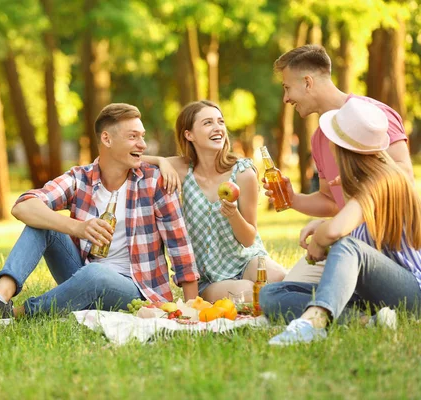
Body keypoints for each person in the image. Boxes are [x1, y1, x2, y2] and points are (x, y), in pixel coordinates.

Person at [0, 103, 200, 326]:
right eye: (133, 136)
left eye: (142, 137)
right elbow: (23, 206)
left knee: (96, 275)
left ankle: (16, 314)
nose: (142, 144)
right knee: (42, 222)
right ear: (107, 139)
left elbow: (181, 248)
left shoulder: (155, 181)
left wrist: (191, 309)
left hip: (138, 291)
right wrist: (77, 228)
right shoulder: (80, 178)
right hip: (83, 272)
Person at [261, 98, 421, 345]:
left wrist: (321, 239)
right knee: (271, 294)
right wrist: (324, 224)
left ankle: (314, 323)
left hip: (410, 293)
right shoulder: (357, 181)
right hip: (369, 293)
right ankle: (365, 322)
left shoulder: (383, 180)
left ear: (340, 147)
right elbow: (363, 224)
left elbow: (336, 232)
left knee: (346, 246)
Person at [266, 44, 414, 284]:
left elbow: (404, 177)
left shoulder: (374, 116)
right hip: (346, 236)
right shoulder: (319, 138)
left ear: (307, 82)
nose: (285, 98)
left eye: (287, 88)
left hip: (387, 242)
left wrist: (337, 222)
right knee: (286, 288)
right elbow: (331, 200)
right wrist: (293, 199)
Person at [143, 100, 286, 303]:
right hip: (209, 278)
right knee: (247, 294)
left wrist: (233, 213)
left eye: (220, 121)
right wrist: (161, 161)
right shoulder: (183, 170)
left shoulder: (243, 172)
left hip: (247, 260)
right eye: (208, 123)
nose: (218, 127)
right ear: (188, 134)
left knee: (281, 280)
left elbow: (248, 239)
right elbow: (132, 158)